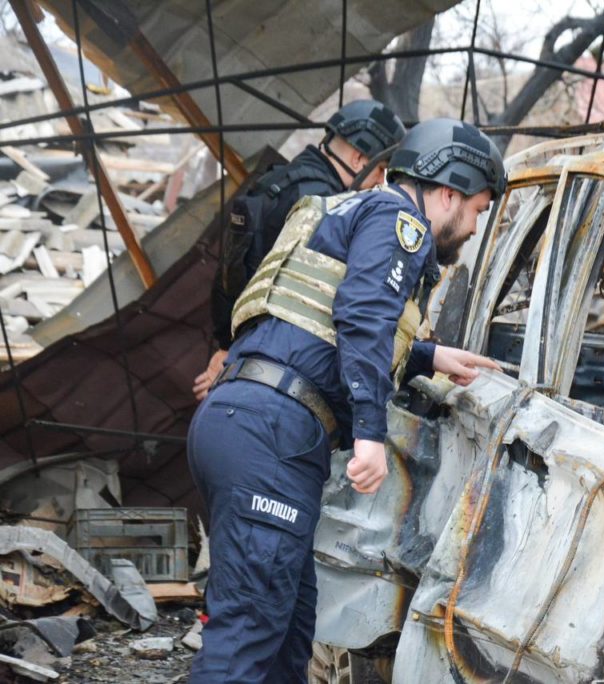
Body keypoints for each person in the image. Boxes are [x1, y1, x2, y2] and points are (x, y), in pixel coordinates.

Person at [186, 118, 505, 682]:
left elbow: (317, 322)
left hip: (242, 419)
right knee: (245, 642)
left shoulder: (348, 208)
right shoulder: (402, 221)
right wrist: (370, 436)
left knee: (286, 634)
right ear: (449, 191)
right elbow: (361, 317)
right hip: (272, 435)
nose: (476, 225)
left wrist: (429, 357)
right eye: (479, 209)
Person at [193, 99, 407, 401]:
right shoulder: (323, 205)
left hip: (246, 351)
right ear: (359, 159)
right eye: (381, 170)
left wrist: (226, 345)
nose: (379, 182)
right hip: (279, 368)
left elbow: (232, 271)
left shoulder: (276, 180)